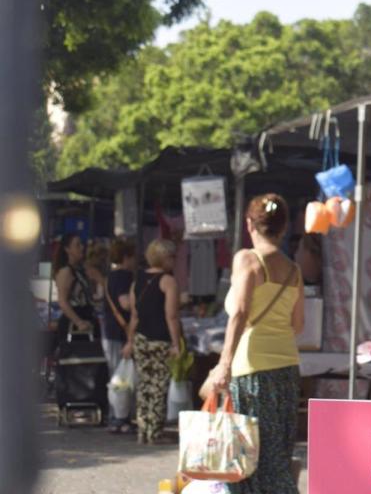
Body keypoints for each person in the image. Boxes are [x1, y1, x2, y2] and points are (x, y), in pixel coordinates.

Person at [206, 194, 304, 494]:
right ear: (283, 227)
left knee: (244, 458)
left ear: (249, 224)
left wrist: (223, 363)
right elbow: (298, 325)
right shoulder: (293, 270)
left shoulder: (247, 259)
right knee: (277, 456)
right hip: (287, 369)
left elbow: (239, 313)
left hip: (251, 370)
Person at [122, 238, 182, 445]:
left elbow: (134, 316)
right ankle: (154, 432)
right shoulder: (168, 281)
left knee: (144, 386)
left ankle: (142, 430)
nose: (175, 261)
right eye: (172, 256)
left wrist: (129, 341)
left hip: (140, 339)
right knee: (159, 386)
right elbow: (171, 316)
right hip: (160, 341)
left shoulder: (137, 281)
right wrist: (176, 343)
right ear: (164, 258)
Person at [102, 238, 137, 433]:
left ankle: (116, 416)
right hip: (120, 331)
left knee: (116, 376)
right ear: (126, 257)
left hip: (110, 330)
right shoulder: (124, 276)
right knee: (121, 378)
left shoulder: (111, 276)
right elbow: (124, 303)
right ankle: (119, 418)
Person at [53, 234, 97, 343]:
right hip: (75, 321)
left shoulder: (81, 270)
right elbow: (63, 301)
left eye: (81, 244)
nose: (82, 247)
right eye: (77, 245)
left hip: (87, 317)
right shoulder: (66, 272)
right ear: (67, 249)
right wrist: (78, 322)